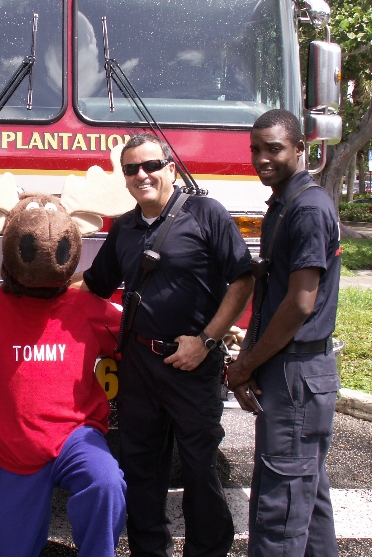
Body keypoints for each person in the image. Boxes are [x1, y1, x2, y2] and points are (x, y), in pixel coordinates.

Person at [74, 132, 254, 557]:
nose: (142, 175)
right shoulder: (124, 227)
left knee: (200, 468)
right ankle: (149, 550)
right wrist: (35, 290)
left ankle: (207, 550)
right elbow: (95, 285)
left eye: (151, 165)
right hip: (139, 362)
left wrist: (206, 341)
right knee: (140, 469)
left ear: (171, 169)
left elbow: (243, 279)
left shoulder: (207, 213)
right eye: (131, 169)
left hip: (194, 363)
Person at [0, 194, 127, 557]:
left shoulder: (87, 307)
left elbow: (137, 336)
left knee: (105, 484)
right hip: (11, 445)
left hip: (76, 436)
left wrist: (204, 336)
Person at [227, 109, 341, 557]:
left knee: (279, 513)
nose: (262, 159)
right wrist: (251, 360)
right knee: (308, 503)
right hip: (289, 368)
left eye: (274, 149)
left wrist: (245, 366)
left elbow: (299, 305)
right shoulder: (284, 205)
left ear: (300, 149)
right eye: (255, 149)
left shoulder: (307, 209)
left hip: (297, 372)